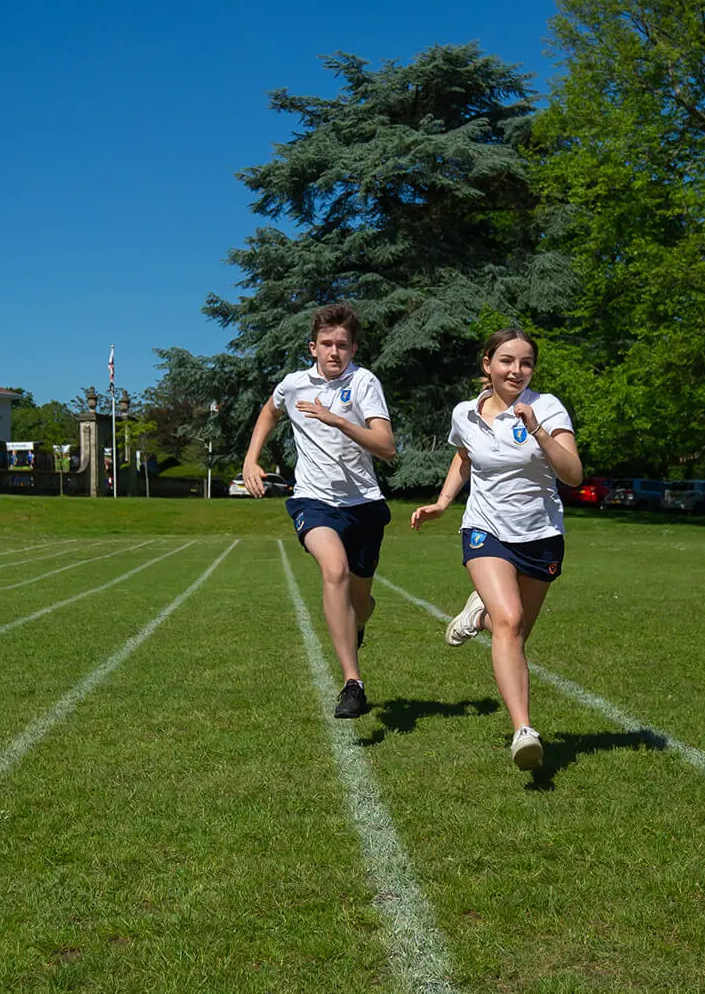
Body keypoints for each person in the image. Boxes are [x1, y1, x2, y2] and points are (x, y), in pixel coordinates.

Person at [410, 327, 582, 770]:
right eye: (507, 361)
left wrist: (538, 431)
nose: (517, 370)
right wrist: (444, 502)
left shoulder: (546, 407)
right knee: (510, 621)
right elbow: (465, 455)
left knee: (515, 630)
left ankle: (478, 614)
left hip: (541, 534)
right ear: (487, 365)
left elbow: (574, 475)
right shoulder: (465, 413)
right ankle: (523, 730)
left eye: (526, 363)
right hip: (485, 528)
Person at [241, 304, 395, 718]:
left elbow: (387, 447)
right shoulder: (293, 385)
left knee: (359, 600)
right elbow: (268, 413)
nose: (334, 352)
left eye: (342, 345)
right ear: (313, 347)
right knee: (334, 571)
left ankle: (360, 618)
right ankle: (352, 683)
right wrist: (250, 459)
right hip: (313, 499)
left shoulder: (364, 383)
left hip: (363, 503)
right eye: (326, 344)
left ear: (353, 349)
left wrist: (338, 420)